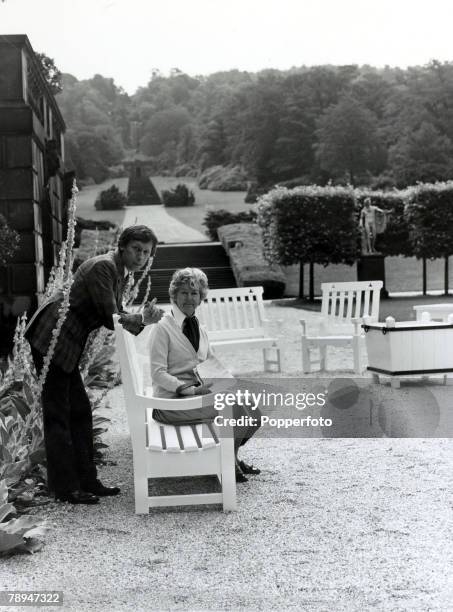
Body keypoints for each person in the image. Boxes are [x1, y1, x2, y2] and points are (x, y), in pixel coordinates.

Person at [25, 225, 164, 504]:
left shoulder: (118, 271)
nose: (141, 257)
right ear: (123, 247)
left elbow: (113, 313)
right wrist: (144, 320)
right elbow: (110, 316)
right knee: (59, 416)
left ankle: (87, 481)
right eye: (136, 249)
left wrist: (138, 319)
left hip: (66, 342)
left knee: (79, 412)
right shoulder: (104, 267)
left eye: (146, 253)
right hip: (51, 338)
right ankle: (65, 489)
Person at [149, 267, 261, 483]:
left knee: (254, 409)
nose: (189, 298)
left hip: (198, 396)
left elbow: (208, 362)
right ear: (174, 294)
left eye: (195, 293)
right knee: (237, 409)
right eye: (184, 292)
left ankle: (233, 456)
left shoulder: (198, 326)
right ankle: (227, 462)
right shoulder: (162, 327)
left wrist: (224, 380)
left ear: (201, 297)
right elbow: (157, 373)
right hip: (172, 403)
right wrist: (189, 389)